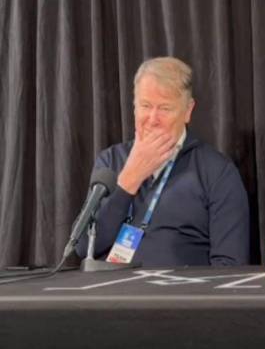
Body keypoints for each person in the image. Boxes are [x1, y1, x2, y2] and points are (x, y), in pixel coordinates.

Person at [76, 57, 249, 266]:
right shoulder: (110, 161)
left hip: (177, 295)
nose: (152, 118)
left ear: (188, 111)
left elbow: (230, 264)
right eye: (145, 105)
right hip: (114, 294)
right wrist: (129, 179)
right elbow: (84, 247)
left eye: (165, 109)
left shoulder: (217, 171)